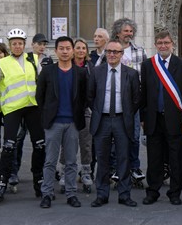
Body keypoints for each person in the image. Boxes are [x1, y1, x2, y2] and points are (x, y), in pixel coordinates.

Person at [0, 28, 45, 205]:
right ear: (10, 45)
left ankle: (39, 179)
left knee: (39, 145)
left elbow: (42, 81)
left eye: (20, 43)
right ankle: (2, 181)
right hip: (13, 109)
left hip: (32, 107)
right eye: (14, 43)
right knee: (8, 146)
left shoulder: (33, 59)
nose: (17, 46)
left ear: (24, 45)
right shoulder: (2, 63)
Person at [140, 31, 182, 205]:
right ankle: (153, 190)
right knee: (154, 157)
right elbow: (144, 93)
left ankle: (175, 192)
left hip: (175, 118)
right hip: (153, 118)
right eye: (160, 43)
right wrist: (143, 116)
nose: (163, 46)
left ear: (173, 44)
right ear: (155, 45)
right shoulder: (148, 65)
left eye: (166, 43)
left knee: (176, 157)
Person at [87, 39, 140, 207]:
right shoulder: (97, 72)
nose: (111, 55)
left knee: (123, 158)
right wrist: (98, 111)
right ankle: (102, 194)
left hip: (122, 120)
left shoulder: (131, 74)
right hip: (101, 120)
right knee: (102, 159)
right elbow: (90, 96)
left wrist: (126, 114)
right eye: (109, 51)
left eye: (115, 52)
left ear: (121, 54)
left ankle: (124, 194)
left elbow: (136, 100)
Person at [37, 36, 87, 209]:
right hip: (54, 123)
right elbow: (40, 97)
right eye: (61, 48)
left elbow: (84, 97)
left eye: (68, 48)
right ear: (56, 50)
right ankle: (47, 193)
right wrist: (47, 116)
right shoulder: (48, 71)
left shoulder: (80, 73)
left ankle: (71, 193)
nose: (65, 51)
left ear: (72, 51)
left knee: (72, 161)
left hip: (73, 123)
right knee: (50, 161)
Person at [11, 33, 53, 189]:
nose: (42, 47)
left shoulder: (48, 60)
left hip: (39, 107)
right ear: (33, 45)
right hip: (23, 105)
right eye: (39, 44)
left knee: (40, 142)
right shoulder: (26, 58)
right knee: (18, 140)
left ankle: (40, 172)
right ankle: (13, 172)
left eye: (44, 44)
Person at [56, 38, 95, 194]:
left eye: (83, 48)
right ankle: (65, 172)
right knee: (66, 144)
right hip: (68, 111)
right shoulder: (66, 66)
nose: (80, 50)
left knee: (86, 142)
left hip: (84, 110)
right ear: (73, 50)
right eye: (77, 47)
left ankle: (86, 172)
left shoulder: (90, 68)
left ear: (86, 51)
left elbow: (91, 90)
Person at [111, 18, 146, 184]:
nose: (129, 34)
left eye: (131, 31)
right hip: (114, 101)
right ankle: (117, 168)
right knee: (116, 136)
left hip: (133, 102)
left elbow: (145, 75)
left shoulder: (139, 51)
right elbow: (99, 71)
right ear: (118, 32)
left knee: (134, 136)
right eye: (126, 31)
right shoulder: (109, 50)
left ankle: (134, 167)